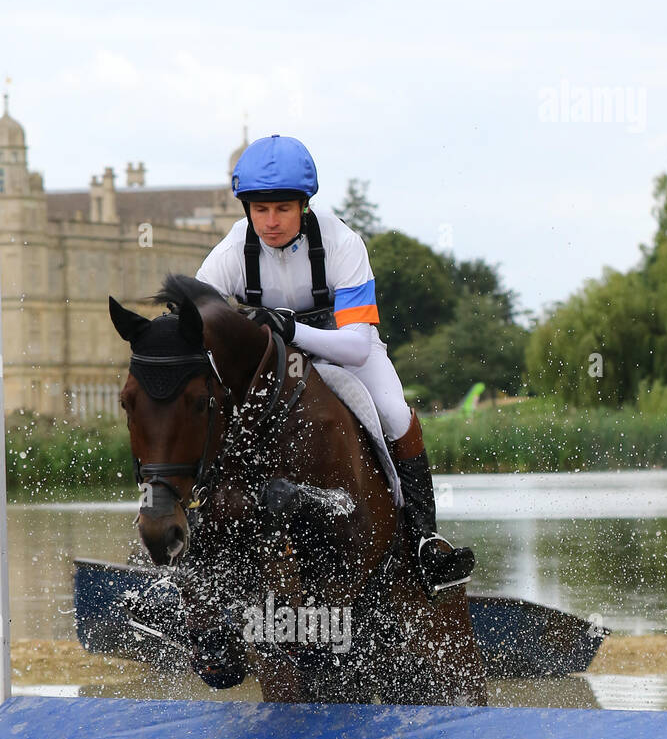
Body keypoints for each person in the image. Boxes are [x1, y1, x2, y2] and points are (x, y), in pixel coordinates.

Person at [195, 134, 474, 595]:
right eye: (259, 210)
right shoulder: (230, 253)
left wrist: (287, 329)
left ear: (304, 205)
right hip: (269, 361)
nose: (270, 222)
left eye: (282, 209)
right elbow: (192, 323)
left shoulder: (343, 243)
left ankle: (424, 539)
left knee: (394, 413)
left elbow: (357, 348)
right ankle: (188, 557)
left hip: (339, 344)